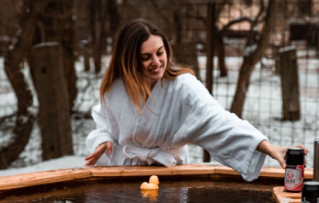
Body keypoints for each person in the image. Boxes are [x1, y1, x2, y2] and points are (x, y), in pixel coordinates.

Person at [85, 19, 305, 180]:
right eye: (146, 57)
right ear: (129, 60)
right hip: (123, 172)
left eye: (160, 53)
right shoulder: (116, 88)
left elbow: (218, 120)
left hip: (168, 173)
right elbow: (105, 122)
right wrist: (104, 139)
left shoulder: (183, 87)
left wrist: (269, 147)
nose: (157, 62)